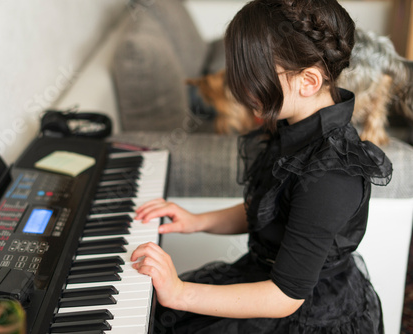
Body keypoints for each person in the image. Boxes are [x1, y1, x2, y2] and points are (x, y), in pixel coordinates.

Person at [130, 0, 393, 333]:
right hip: (264, 281)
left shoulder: (331, 174)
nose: (242, 92)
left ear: (308, 82)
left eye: (254, 78)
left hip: (298, 311)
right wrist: (197, 221)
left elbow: (285, 296)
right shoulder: (294, 123)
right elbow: (270, 210)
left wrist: (180, 293)